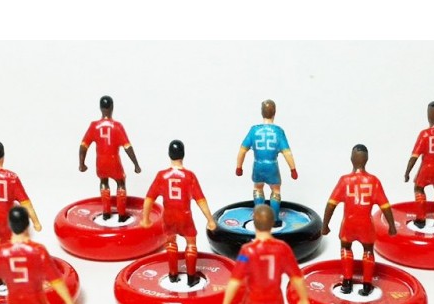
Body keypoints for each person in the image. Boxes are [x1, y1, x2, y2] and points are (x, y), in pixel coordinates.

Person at [322, 144, 397, 296]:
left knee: (345, 247)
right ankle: (367, 284)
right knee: (368, 250)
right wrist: (391, 225)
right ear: (367, 159)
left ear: (351, 158)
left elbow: (331, 204)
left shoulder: (345, 180)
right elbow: (385, 206)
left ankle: (347, 282)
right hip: (366, 225)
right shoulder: (374, 181)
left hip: (348, 224)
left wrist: (325, 225)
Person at [141, 140, 217, 286]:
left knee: (170, 242)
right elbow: (200, 200)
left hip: (168, 217)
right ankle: (191, 277)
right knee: (191, 243)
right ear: (183, 154)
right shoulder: (189, 176)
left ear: (169, 154)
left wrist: (145, 218)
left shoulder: (162, 176)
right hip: (185, 217)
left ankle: (173, 275)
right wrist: (210, 220)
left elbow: (149, 198)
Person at [235, 99, 298, 225]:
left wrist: (239, 166)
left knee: (258, 188)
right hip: (272, 166)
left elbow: (242, 150)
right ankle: (274, 220)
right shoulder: (278, 131)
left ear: (261, 112)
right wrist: (293, 169)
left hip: (257, 166)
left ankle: (259, 218)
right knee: (276, 190)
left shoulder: (253, 130)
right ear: (275, 112)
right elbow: (287, 152)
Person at [79, 95, 141, 222]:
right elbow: (127, 147)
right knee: (121, 182)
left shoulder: (94, 126)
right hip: (114, 161)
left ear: (100, 108)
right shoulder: (117, 126)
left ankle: (106, 212)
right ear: (112, 107)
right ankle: (121, 214)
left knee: (103, 181)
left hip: (100, 162)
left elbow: (83, 146)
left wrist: (82, 163)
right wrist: (136, 164)